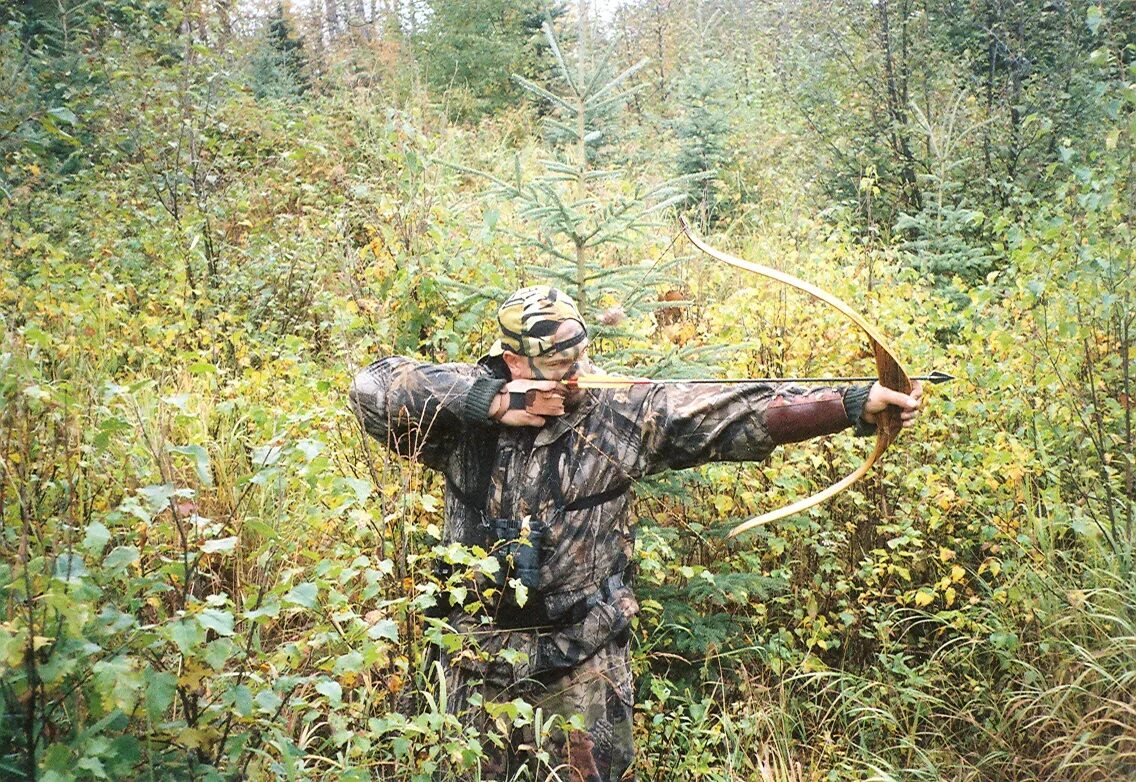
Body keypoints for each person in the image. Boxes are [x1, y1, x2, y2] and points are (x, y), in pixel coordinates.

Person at [349, 285, 922, 782]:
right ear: (513, 362)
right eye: (556, 368)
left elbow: (736, 413)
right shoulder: (459, 417)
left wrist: (852, 405)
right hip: (476, 659)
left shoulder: (620, 412)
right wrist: (491, 402)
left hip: (581, 658)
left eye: (581, 359)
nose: (575, 378)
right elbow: (372, 387)